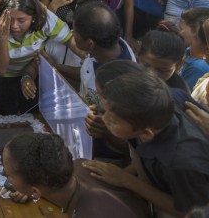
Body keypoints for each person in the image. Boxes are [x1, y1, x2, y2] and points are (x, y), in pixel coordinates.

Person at [82, 73, 209, 216]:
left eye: (113, 120)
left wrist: (126, 180)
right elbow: (144, 155)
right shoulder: (150, 111)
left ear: (147, 134)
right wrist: (121, 174)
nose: (104, 119)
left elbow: (187, 210)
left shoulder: (183, 163)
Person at [2, 133, 149, 217]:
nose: (8, 180)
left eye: (10, 176)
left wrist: (33, 190)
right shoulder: (81, 165)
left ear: (35, 190)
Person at [0, 0, 78, 115]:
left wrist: (90, 60)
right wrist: (2, 37)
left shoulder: (45, 18)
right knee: (4, 116)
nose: (14, 26)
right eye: (10, 20)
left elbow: (70, 40)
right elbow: (0, 69)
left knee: (33, 113)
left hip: (33, 71)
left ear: (34, 19)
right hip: (3, 77)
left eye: (21, 20)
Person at [71, 1, 136, 103]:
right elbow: (86, 73)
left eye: (75, 31)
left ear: (90, 44)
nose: (72, 34)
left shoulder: (121, 82)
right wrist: (55, 65)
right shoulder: (106, 46)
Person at [138, 23, 191, 92]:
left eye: (162, 70)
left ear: (178, 66)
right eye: (146, 65)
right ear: (138, 55)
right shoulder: (125, 74)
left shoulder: (178, 94)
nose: (151, 74)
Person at [179, 8, 209, 89]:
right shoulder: (188, 52)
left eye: (195, 39)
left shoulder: (198, 66)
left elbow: (188, 96)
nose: (181, 32)